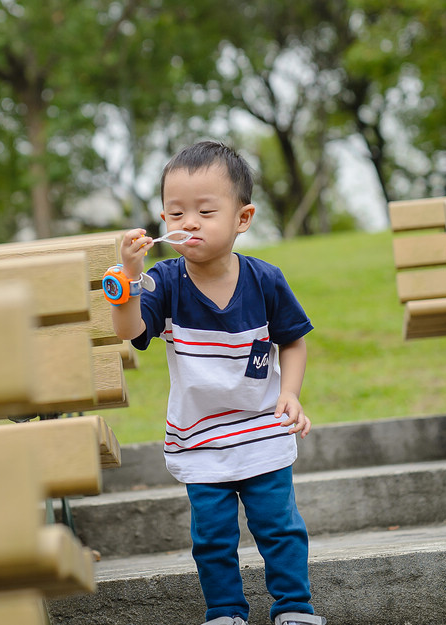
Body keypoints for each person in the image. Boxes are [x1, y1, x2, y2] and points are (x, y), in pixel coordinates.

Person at [109, 141, 325, 625]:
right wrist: (127, 279)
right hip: (199, 437)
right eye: (176, 213)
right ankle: (225, 612)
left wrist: (289, 392)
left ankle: (294, 608)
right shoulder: (163, 282)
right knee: (212, 537)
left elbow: (292, 341)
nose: (188, 223)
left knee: (280, 528)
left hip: (261, 430)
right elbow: (130, 332)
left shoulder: (265, 280)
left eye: (206, 211)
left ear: (242, 218)